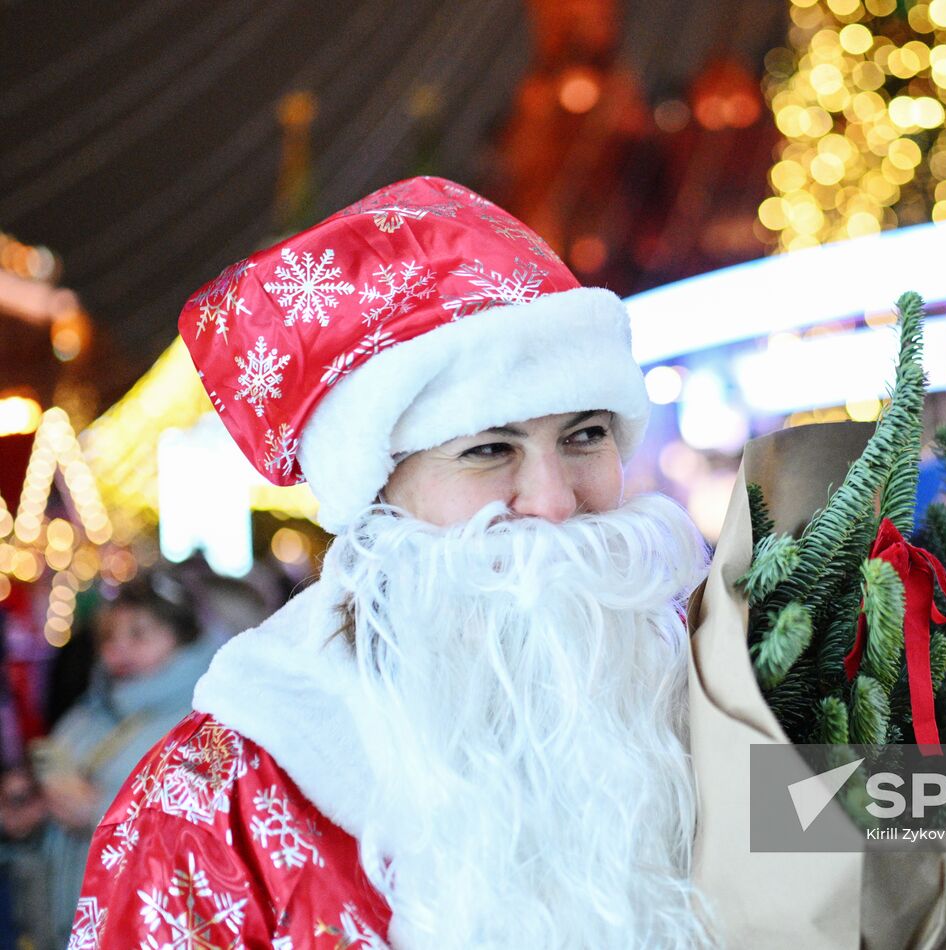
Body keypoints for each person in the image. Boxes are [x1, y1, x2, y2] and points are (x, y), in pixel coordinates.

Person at [68, 177, 712, 949]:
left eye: (585, 436)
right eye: (489, 449)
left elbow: (873, 880)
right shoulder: (210, 800)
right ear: (377, 497)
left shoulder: (738, 686)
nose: (555, 502)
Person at [31, 572, 212, 949]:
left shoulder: (203, 723)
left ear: (182, 639)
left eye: (138, 634)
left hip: (150, 932)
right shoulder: (90, 711)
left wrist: (99, 813)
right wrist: (26, 814)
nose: (119, 650)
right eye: (109, 637)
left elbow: (209, 837)